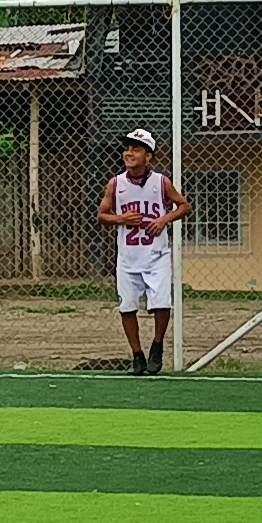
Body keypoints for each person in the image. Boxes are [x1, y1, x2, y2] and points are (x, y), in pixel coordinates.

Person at [94, 129, 190, 375]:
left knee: (161, 304)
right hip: (128, 257)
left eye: (136, 149)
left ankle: (157, 346)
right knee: (127, 307)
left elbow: (184, 205)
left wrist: (164, 219)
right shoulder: (116, 184)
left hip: (156, 255)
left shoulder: (161, 182)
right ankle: (137, 355)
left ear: (148, 156)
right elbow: (102, 215)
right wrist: (121, 219)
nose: (129, 153)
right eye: (127, 149)